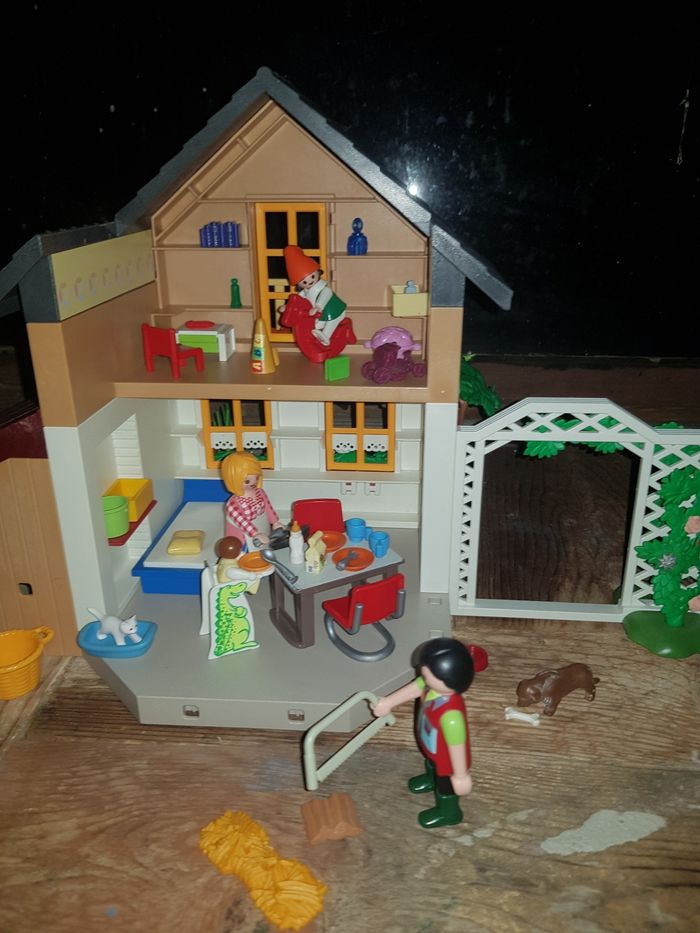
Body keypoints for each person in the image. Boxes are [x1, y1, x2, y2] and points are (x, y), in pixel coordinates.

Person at [371, 638, 475, 828]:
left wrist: (460, 775)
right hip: (430, 744)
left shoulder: (452, 717)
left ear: (449, 680)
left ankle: (449, 812)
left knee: (445, 784)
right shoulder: (429, 686)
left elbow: (457, 746)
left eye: (428, 673)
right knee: (431, 762)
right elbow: (414, 688)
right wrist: (388, 702)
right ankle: (430, 778)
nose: (423, 675)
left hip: (448, 761)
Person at [283, 245, 347, 346]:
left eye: (312, 276)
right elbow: (297, 301)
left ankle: (326, 337)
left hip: (335, 310)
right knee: (315, 325)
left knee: (331, 321)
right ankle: (317, 338)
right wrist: (287, 307)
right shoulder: (305, 291)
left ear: (318, 272)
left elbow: (326, 294)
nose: (309, 281)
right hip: (320, 314)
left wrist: (318, 306)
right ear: (299, 284)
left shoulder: (324, 288)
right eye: (304, 282)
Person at [221, 451, 283, 550]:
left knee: (265, 547)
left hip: (262, 527)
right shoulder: (233, 504)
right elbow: (243, 522)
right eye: (247, 481)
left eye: (256, 478)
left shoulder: (260, 492)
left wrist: (275, 522)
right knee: (245, 552)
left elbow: (268, 508)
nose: (253, 482)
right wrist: (255, 533)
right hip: (244, 536)